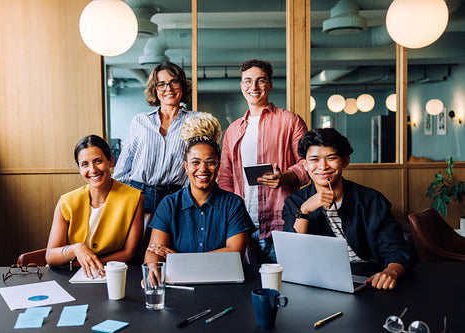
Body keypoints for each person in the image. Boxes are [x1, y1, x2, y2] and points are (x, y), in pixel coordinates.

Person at [282, 128, 413, 290]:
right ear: (305, 165)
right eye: (314, 160)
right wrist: (305, 211)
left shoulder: (371, 200)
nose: (322, 166)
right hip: (317, 280)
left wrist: (390, 272)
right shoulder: (295, 202)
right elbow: (293, 256)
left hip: (368, 277)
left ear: (345, 162)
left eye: (331, 158)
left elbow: (396, 250)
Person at [218, 59, 309, 263]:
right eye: (248, 81)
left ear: (270, 84)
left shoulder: (291, 121)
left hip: (281, 223)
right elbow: (225, 178)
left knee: (285, 285)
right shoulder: (233, 129)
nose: (254, 87)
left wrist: (285, 177)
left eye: (261, 81)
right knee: (245, 289)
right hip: (242, 225)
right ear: (242, 86)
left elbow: (308, 164)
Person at [144, 113, 255, 264]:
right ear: (186, 166)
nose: (203, 169)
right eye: (195, 162)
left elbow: (234, 254)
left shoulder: (233, 204)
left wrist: (179, 258)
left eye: (210, 162)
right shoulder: (169, 204)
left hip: (221, 281)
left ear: (218, 166)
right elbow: (154, 251)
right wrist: (152, 268)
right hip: (179, 281)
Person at [46, 135, 144, 278]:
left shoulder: (134, 198)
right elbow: (50, 256)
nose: (92, 170)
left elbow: (129, 253)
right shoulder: (66, 202)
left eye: (98, 161)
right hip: (65, 275)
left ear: (111, 161)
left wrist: (90, 264)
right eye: (85, 164)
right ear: (79, 168)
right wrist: (76, 249)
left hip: (110, 275)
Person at [113, 62, 197, 214]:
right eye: (161, 84)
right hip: (139, 195)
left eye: (174, 82)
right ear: (155, 89)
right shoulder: (140, 121)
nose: (168, 89)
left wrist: (189, 197)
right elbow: (124, 166)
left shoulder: (196, 121)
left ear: (182, 86)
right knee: (139, 239)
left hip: (177, 197)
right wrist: (121, 199)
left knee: (171, 239)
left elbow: (199, 164)